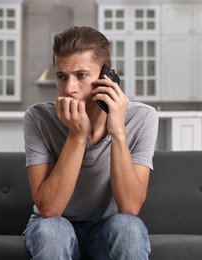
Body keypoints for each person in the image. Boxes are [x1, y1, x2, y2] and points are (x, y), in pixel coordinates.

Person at [23, 26, 158, 260]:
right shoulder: (38, 118)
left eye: (81, 75)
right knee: (54, 231)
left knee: (128, 228)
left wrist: (117, 131)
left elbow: (130, 208)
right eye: (61, 76)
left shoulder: (142, 117)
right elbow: (50, 210)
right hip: (54, 227)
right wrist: (77, 135)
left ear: (108, 77)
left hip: (107, 231)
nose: (69, 89)